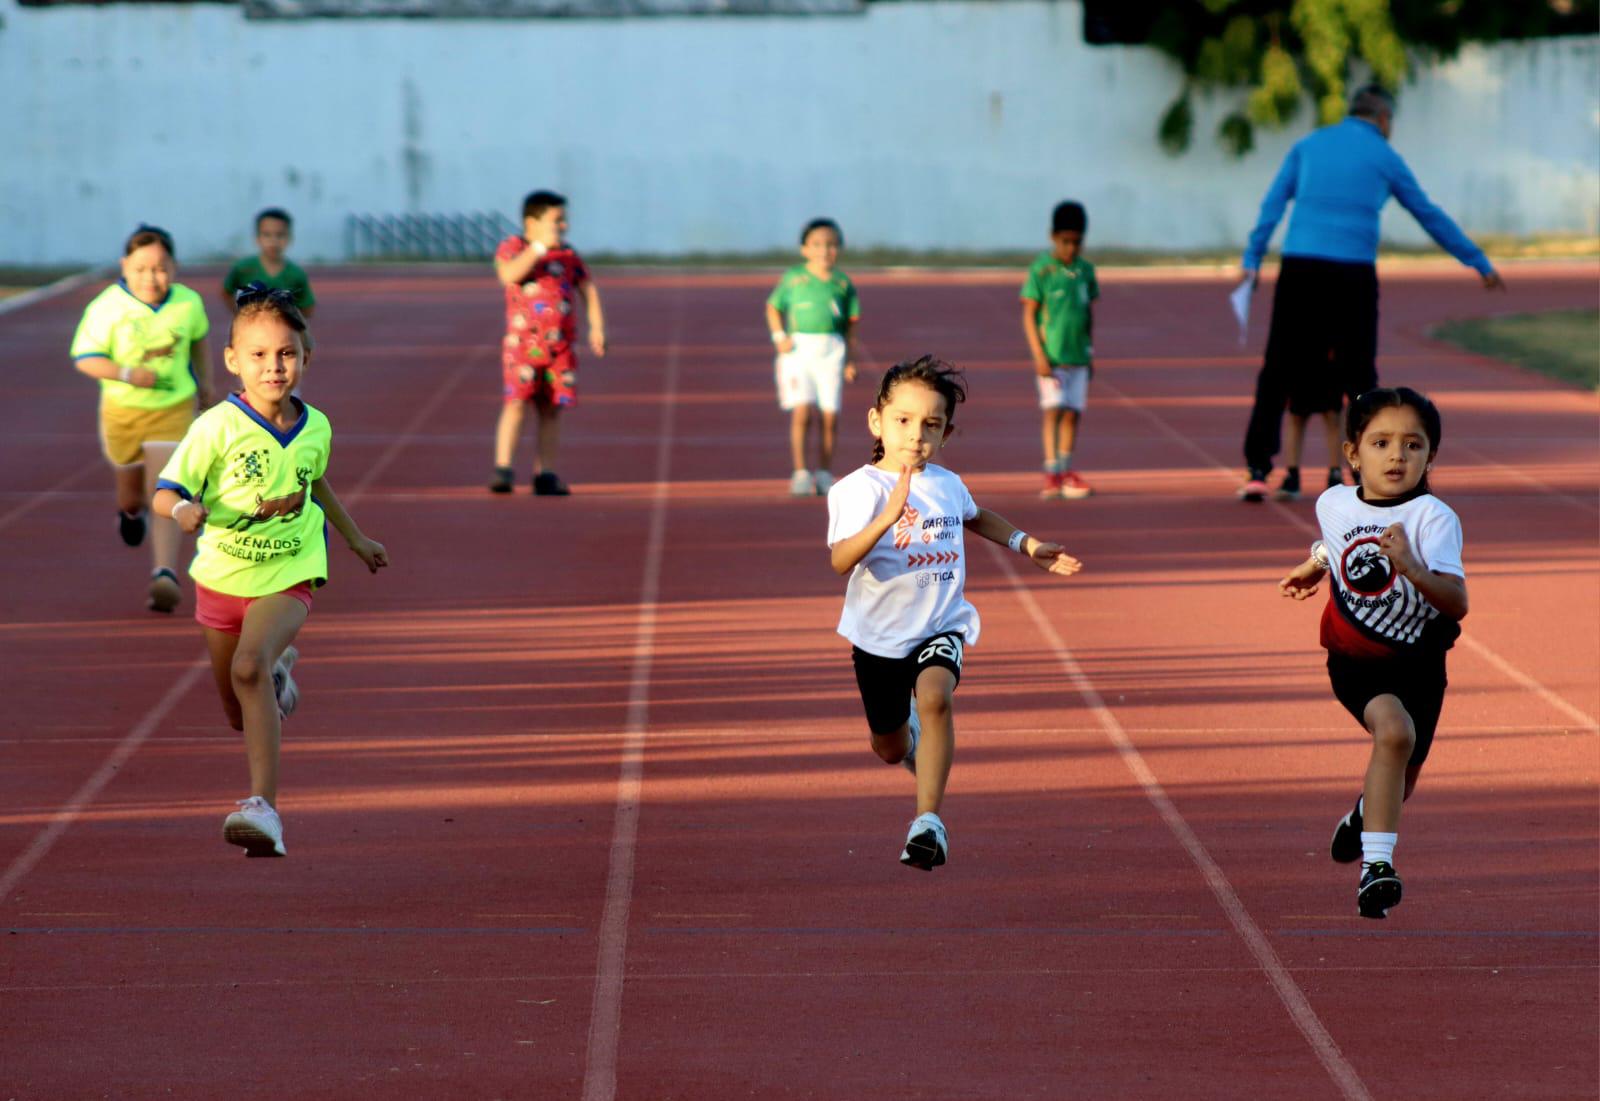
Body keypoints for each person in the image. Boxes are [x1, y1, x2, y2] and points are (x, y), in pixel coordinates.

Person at [152, 285, 388, 857]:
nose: (273, 366)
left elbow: (313, 483)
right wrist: (184, 510)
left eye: (286, 354)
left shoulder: (316, 427)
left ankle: (264, 809)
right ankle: (278, 675)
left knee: (249, 668)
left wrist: (354, 538)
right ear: (233, 360)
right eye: (258, 355)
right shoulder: (215, 426)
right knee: (239, 709)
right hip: (221, 578)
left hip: (291, 569)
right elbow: (165, 492)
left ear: (306, 357)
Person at [827, 356, 1082, 870]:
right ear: (877, 420)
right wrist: (886, 519)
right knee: (890, 748)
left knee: (936, 697)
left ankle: (927, 822)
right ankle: (915, 744)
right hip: (878, 640)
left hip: (942, 624)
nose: (915, 435)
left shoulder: (945, 483)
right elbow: (840, 561)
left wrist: (1025, 543)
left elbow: (976, 515)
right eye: (902, 420)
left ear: (946, 433)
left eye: (931, 425)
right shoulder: (857, 490)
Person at [1237, 84, 1504, 502]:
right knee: (1358, 374)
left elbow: (1272, 205)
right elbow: (1426, 212)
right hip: (1352, 273)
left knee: (1278, 366)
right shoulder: (1384, 156)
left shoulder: (1308, 145)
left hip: (1301, 268)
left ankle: (1257, 467)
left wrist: (1252, 257)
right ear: (1383, 118)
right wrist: (1477, 261)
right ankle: (1368, 470)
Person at [1278, 387, 1467, 919]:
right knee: (1394, 732)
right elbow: (1337, 538)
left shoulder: (1434, 518)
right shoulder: (1332, 501)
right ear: (1353, 453)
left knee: (1401, 778)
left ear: (1430, 456)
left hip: (1422, 663)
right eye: (1381, 443)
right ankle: (1377, 869)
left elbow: (1457, 603)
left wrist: (1413, 568)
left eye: (1413, 445)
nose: (1397, 455)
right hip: (1354, 655)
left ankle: (1365, 815)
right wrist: (1315, 564)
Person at [71, 224, 214, 613]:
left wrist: (207, 386)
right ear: (125, 266)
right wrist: (127, 374)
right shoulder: (106, 307)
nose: (152, 277)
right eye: (141, 269)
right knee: (134, 497)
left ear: (175, 267)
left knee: (165, 487)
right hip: (123, 412)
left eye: (161, 268)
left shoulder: (188, 303)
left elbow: (199, 340)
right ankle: (128, 513)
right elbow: (86, 358)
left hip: (174, 408)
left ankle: (164, 574)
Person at [489, 190, 606, 496]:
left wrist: (597, 326)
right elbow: (508, 275)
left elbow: (588, 289)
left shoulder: (568, 255)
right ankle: (503, 469)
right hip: (522, 347)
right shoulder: (513, 248)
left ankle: (546, 473)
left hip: (560, 348)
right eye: (557, 220)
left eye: (565, 220)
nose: (564, 226)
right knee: (516, 404)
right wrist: (538, 249)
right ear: (532, 222)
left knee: (552, 409)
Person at [765, 217, 860, 497]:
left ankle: (825, 473)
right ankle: (801, 473)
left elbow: (851, 325)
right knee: (802, 412)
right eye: (817, 244)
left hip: (832, 351)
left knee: (829, 416)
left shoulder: (843, 284)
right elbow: (773, 307)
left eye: (831, 244)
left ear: (839, 248)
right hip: (798, 352)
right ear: (805, 249)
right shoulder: (793, 278)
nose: (824, 250)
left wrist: (850, 360)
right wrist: (779, 337)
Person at [1021, 200, 1099, 500]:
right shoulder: (1042, 270)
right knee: (1053, 410)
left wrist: (1090, 352)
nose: (1070, 248)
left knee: (1072, 413)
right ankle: (1051, 472)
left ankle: (1066, 469)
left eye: (1077, 243)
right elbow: (1029, 314)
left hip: (1078, 356)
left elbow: (1088, 314)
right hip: (1052, 358)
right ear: (1053, 237)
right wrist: (1039, 354)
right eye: (1065, 242)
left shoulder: (1085, 271)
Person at [221, 208, 317, 319]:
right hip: (250, 329)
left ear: (290, 238)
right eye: (267, 235)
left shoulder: (296, 274)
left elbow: (307, 306)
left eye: (280, 235)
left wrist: (293, 324)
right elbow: (226, 292)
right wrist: (239, 315)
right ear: (257, 238)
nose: (273, 241)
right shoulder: (243, 268)